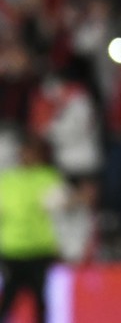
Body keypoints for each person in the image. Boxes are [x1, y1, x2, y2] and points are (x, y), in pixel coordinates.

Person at [0, 135, 65, 323]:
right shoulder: (7, 180)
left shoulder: (48, 177)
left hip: (39, 249)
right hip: (12, 249)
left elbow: (58, 206)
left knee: (40, 298)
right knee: (9, 296)